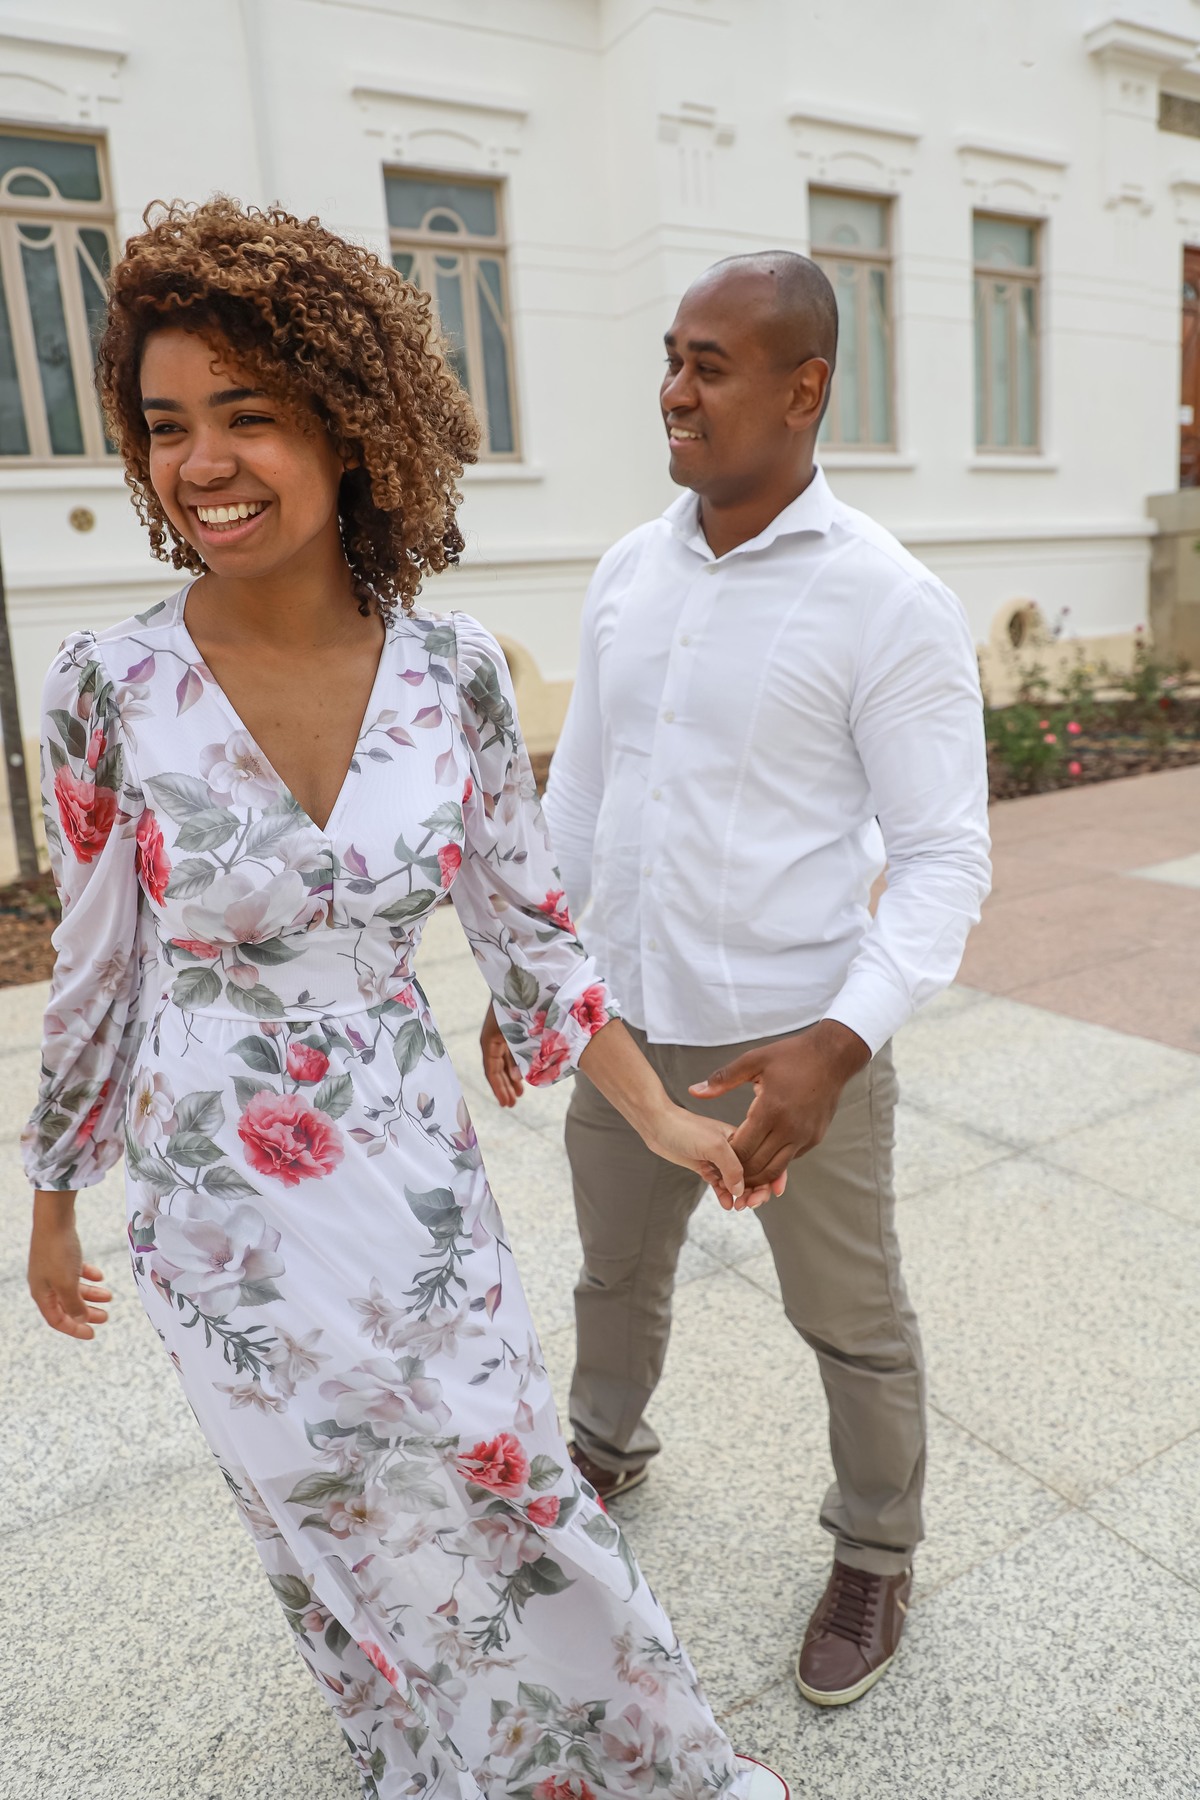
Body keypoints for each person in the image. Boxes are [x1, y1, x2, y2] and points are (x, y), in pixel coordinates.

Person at [22, 201, 790, 1800]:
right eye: (165, 425)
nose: (202, 463)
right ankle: (438, 1757)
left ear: (347, 423)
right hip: (217, 1211)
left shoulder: (457, 676)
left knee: (507, 1479)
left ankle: (658, 1767)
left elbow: (531, 932)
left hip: (411, 1175)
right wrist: (54, 1201)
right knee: (331, 1520)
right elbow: (94, 965)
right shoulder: (107, 688)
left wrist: (660, 1114)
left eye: (247, 413)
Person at [481, 251, 992, 1709]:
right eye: (671, 357)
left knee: (851, 1320)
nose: (674, 390)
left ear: (804, 387)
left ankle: (877, 1551)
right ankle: (605, 1448)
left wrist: (841, 1043)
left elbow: (945, 859)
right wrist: (534, 976)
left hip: (793, 1047)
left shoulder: (885, 600)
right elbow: (580, 796)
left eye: (709, 364)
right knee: (613, 1274)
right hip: (624, 1025)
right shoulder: (628, 571)